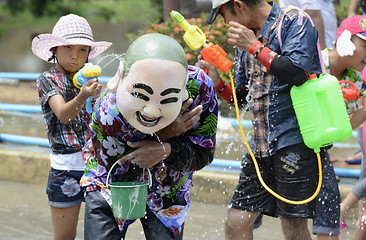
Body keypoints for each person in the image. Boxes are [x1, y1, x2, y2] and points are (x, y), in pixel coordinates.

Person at [203, 0, 327, 239]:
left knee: (293, 227)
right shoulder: (246, 40)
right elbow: (242, 99)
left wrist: (254, 47)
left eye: (223, 17)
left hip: (295, 143)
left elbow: (298, 73)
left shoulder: (294, 20)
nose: (226, 24)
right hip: (259, 147)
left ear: (238, 6)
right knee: (235, 222)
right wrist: (217, 81)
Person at [79, 33, 218, 240]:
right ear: (120, 79)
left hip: (169, 187)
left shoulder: (200, 90)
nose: (152, 111)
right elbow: (117, 165)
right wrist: (167, 133)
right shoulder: (108, 112)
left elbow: (204, 154)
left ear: (182, 91)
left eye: (168, 98)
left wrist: (166, 150)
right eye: (141, 96)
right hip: (110, 184)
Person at [31, 14, 112, 240]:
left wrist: (100, 97)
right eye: (68, 47)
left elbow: (102, 120)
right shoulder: (48, 78)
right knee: (65, 236)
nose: (75, 55)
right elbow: (64, 115)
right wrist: (82, 96)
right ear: (54, 49)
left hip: (96, 166)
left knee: (101, 234)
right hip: (66, 168)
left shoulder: (89, 81)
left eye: (83, 50)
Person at [324, 15, 366, 240]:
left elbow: (346, 124)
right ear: (345, 41)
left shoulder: (355, 78)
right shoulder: (314, 62)